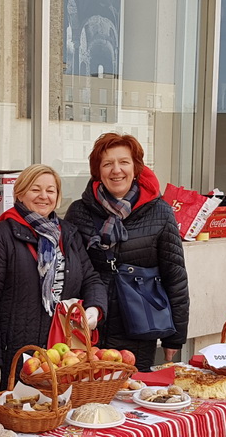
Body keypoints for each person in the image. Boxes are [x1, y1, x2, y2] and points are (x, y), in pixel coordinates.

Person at [0, 164, 107, 398]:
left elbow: (91, 278)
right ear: (20, 193)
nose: (44, 196)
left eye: (51, 190)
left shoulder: (69, 234)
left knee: (61, 420)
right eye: (36, 189)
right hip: (17, 355)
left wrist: (95, 307)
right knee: (18, 421)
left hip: (63, 352)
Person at [65, 133, 189, 371]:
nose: (116, 170)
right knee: (88, 392)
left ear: (136, 168)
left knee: (131, 392)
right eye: (107, 163)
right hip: (89, 324)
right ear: (98, 171)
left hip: (139, 325)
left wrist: (175, 336)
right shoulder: (79, 212)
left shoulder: (159, 212)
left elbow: (175, 276)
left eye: (124, 162)